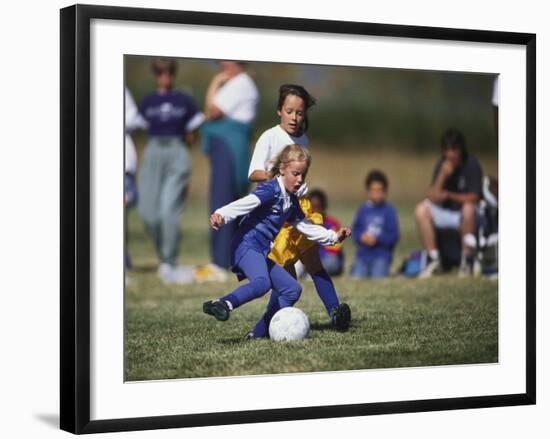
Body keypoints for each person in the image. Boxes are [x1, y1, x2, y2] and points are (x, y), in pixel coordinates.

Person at [202, 145, 351, 328]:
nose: (299, 180)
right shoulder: (271, 190)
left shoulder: (291, 200)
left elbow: (306, 227)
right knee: (262, 283)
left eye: (303, 175)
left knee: (291, 289)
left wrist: (334, 236)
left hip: (261, 251)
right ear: (282, 169)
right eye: (295, 174)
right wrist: (221, 215)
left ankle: (259, 333)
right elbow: (247, 203)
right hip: (246, 245)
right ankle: (223, 303)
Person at [247, 84, 351, 335]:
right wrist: (277, 177)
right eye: (289, 111)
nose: (295, 117)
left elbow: (299, 176)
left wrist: (301, 186)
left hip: (298, 211)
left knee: (314, 263)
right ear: (279, 111)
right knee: (287, 281)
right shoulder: (269, 137)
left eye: (300, 113)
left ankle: (335, 313)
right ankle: (260, 331)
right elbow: (253, 173)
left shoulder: (302, 138)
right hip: (274, 217)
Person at [137, 58, 205, 284]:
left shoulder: (183, 100)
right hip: (154, 150)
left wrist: (183, 155)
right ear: (155, 75)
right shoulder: (147, 102)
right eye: (160, 73)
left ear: (172, 74)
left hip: (177, 150)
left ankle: (169, 262)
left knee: (168, 212)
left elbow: (193, 133)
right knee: (147, 212)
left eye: (168, 73)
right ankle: (164, 254)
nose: (164, 77)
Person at [200, 61, 259, 272]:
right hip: (230, 147)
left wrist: (215, 82)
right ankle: (228, 259)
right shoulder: (241, 84)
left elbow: (212, 110)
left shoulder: (240, 83)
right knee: (229, 200)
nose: (222, 66)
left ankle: (220, 261)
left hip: (229, 148)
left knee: (222, 201)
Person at [415, 128, 483, 278]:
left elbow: (475, 196)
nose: (450, 154)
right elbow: (432, 196)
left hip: (466, 215)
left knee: (468, 208)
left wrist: (450, 196)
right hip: (445, 213)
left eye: (454, 149)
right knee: (421, 209)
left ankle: (467, 260)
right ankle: (433, 259)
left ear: (461, 149)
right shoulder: (442, 164)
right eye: (446, 150)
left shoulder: (471, 164)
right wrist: (442, 175)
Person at [351, 170, 399, 278]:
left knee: (378, 276)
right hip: (362, 256)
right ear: (368, 192)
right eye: (373, 190)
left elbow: (394, 236)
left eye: (379, 190)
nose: (376, 193)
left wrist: (377, 240)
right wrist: (361, 237)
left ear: (385, 191)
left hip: (381, 256)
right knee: (357, 277)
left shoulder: (389, 211)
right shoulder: (362, 210)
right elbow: (355, 231)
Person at [308, 189, 345, 276]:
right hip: (308, 260)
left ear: (324, 207)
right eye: (313, 207)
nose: (315, 211)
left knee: (331, 262)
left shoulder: (332, 223)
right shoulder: (305, 224)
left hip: (326, 259)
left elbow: (333, 250)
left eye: (318, 207)